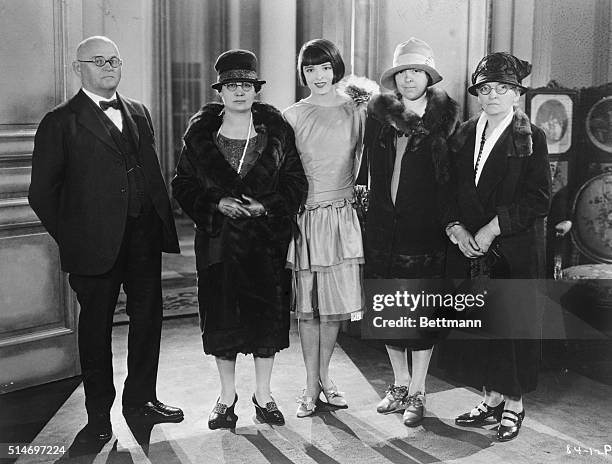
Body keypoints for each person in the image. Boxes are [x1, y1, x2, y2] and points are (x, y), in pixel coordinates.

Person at [28, 36, 183, 443]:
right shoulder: (60, 121)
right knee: (95, 332)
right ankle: (98, 416)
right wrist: (75, 237)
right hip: (92, 247)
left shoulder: (138, 111)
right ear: (78, 68)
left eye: (114, 59)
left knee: (148, 322)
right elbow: (41, 193)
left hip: (143, 239)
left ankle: (142, 400)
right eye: (98, 61)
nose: (109, 66)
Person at [172, 49, 307, 429]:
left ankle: (263, 396)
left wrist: (266, 206)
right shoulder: (200, 136)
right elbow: (181, 185)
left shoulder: (278, 132)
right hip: (219, 243)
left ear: (256, 90)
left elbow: (296, 183)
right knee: (222, 320)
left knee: (266, 321)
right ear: (220, 92)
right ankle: (226, 398)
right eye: (231, 85)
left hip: (266, 244)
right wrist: (216, 202)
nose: (239, 92)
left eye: (246, 85)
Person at [444, 52, 551, 441]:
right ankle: (490, 401)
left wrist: (491, 229)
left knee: (513, 327)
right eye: (486, 89)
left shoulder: (531, 137)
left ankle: (514, 405)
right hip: (472, 249)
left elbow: (538, 198)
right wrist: (456, 228)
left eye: (502, 89)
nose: (492, 96)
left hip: (514, 248)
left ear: (516, 95)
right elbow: (450, 188)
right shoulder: (463, 132)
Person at [362, 38, 460, 426]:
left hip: (426, 229)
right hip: (384, 226)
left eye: (416, 71)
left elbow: (453, 180)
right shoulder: (379, 115)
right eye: (402, 72)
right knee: (387, 308)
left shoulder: (446, 119)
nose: (408, 79)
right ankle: (400, 383)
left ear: (428, 76)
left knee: (420, 314)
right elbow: (368, 167)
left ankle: (419, 391)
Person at [284, 39, 368, 417]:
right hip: (306, 216)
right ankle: (309, 385)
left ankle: (325, 380)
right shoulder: (292, 115)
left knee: (333, 308)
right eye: (310, 69)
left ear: (336, 68)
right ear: (302, 74)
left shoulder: (358, 112)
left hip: (342, 216)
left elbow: (366, 164)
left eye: (324, 67)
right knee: (307, 307)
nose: (318, 76)